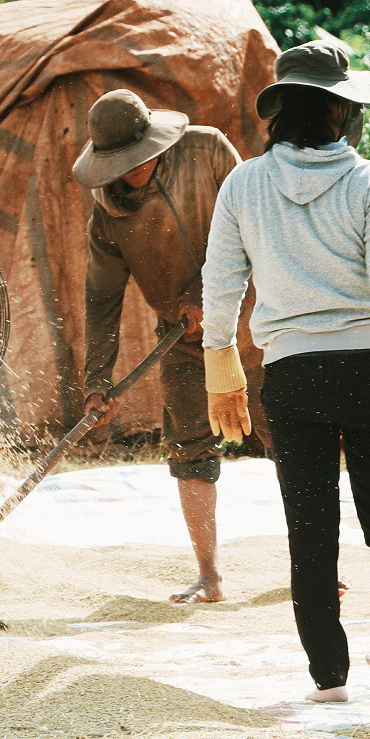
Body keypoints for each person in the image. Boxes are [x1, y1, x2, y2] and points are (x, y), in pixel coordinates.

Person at [198, 40, 370, 702]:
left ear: (282, 111)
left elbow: (221, 284)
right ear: (340, 113)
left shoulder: (243, 185)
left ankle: (328, 677)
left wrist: (221, 370)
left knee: (310, 528)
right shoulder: (369, 182)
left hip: (293, 375)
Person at [74, 89, 264, 604]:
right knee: (188, 448)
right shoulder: (107, 216)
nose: (139, 169)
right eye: (124, 166)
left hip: (256, 326)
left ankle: (317, 564)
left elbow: (260, 224)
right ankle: (210, 575)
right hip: (182, 341)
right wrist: (97, 381)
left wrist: (214, 292)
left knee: (290, 434)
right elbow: (102, 301)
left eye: (144, 158)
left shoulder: (207, 150)